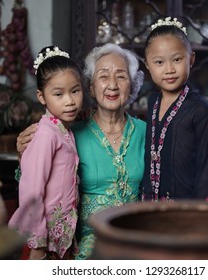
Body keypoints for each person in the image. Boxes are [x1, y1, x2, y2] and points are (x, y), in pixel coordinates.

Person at [15, 43, 146, 260]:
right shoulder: (68, 132)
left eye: (121, 76)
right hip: (87, 245)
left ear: (132, 85)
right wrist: (22, 154)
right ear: (91, 87)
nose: (112, 85)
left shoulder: (147, 132)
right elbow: (34, 182)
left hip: (136, 239)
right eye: (103, 76)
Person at [8, 46, 84, 260]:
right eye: (58, 94)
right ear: (41, 97)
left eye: (75, 91)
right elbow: (32, 191)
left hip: (60, 235)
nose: (69, 101)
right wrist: (38, 242)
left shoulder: (64, 130)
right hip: (42, 241)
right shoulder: (45, 135)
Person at [141, 17, 208, 202]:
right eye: (159, 62)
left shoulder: (202, 111)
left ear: (191, 59)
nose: (169, 69)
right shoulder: (153, 102)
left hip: (184, 212)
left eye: (177, 59)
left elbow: (207, 172)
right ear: (147, 65)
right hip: (150, 208)